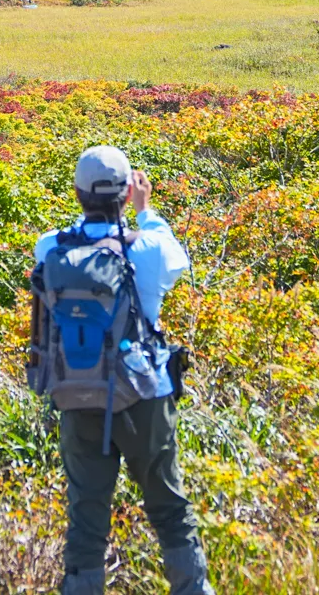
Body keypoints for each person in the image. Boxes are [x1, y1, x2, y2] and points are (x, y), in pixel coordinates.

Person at [32, 145, 212, 595]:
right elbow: (177, 259)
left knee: (86, 518)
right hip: (144, 395)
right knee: (169, 509)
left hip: (76, 395)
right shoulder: (149, 248)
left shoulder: (51, 246)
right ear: (128, 190)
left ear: (76, 193)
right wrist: (145, 211)